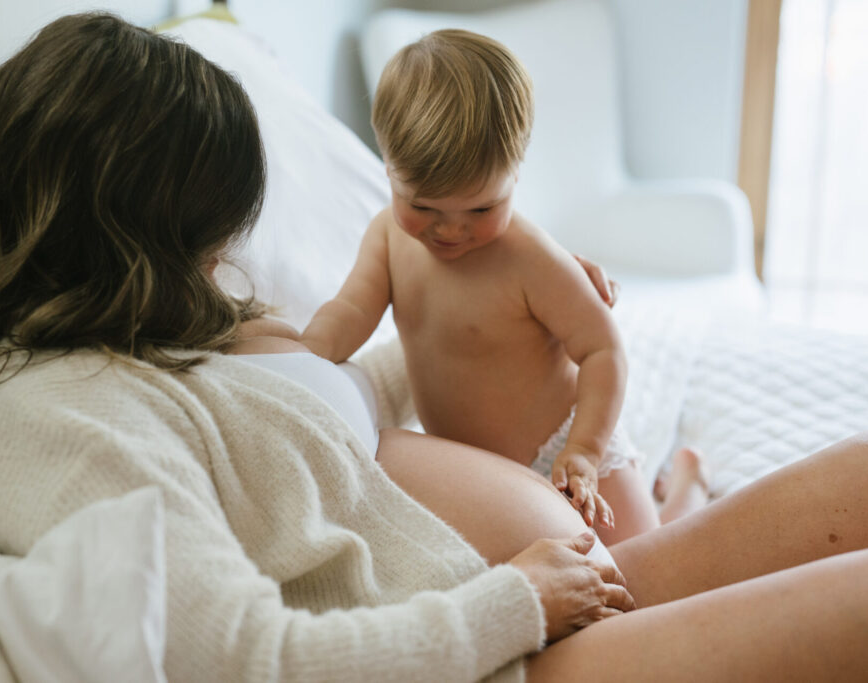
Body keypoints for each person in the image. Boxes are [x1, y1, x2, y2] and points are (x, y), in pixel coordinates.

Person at [0, 13, 868, 682]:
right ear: (131, 224)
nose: (228, 247)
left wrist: (515, 315)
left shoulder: (170, 327)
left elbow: (326, 419)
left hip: (541, 594)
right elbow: (245, 657)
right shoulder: (51, 416)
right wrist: (514, 600)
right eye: (207, 225)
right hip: (490, 653)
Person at [299, 29, 707, 543]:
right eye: (422, 206)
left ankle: (688, 487)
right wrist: (305, 356)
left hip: (563, 454)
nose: (450, 230)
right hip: (483, 477)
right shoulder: (386, 237)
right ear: (388, 167)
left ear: (516, 174)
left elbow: (604, 349)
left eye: (481, 209)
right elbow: (351, 309)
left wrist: (584, 449)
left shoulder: (531, 260)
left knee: (649, 561)